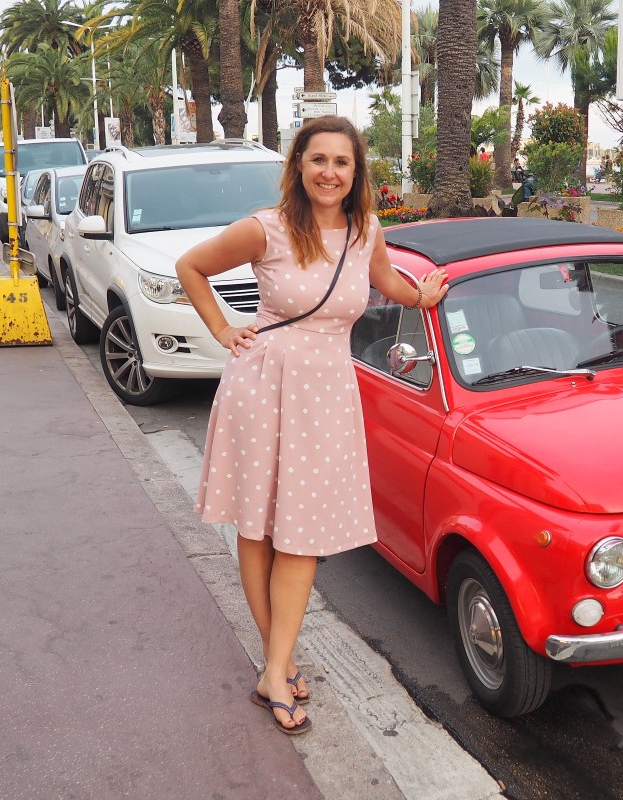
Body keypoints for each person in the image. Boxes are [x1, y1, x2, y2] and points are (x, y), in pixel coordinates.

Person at [175, 116, 448, 736]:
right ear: (298, 165)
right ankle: (279, 665)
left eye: (341, 162)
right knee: (260, 525)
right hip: (263, 385)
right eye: (318, 159)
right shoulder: (265, 228)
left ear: (357, 174)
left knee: (302, 533)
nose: (329, 172)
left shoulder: (365, 231)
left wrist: (420, 297)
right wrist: (222, 330)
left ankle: (275, 665)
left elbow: (382, 283)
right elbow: (191, 266)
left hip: (326, 394)